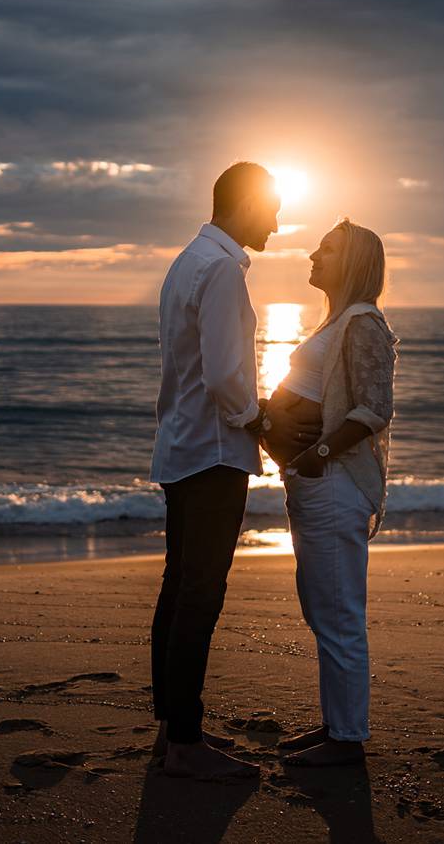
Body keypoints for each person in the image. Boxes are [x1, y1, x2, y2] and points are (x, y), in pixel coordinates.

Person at [148, 161, 321, 781]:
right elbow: (224, 377)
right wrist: (260, 421)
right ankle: (186, 746)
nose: (276, 223)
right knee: (201, 592)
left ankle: (172, 728)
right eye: (271, 209)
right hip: (213, 453)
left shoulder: (188, 260)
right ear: (244, 204)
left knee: (179, 586)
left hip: (180, 446)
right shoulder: (220, 269)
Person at [263, 219, 398, 768]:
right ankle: (335, 726)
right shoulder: (336, 322)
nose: (314, 254)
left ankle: (347, 741)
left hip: (336, 484)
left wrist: (315, 455)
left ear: (356, 262)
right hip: (316, 484)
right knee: (323, 608)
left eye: (329, 248)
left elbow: (373, 407)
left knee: (339, 611)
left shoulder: (363, 322)